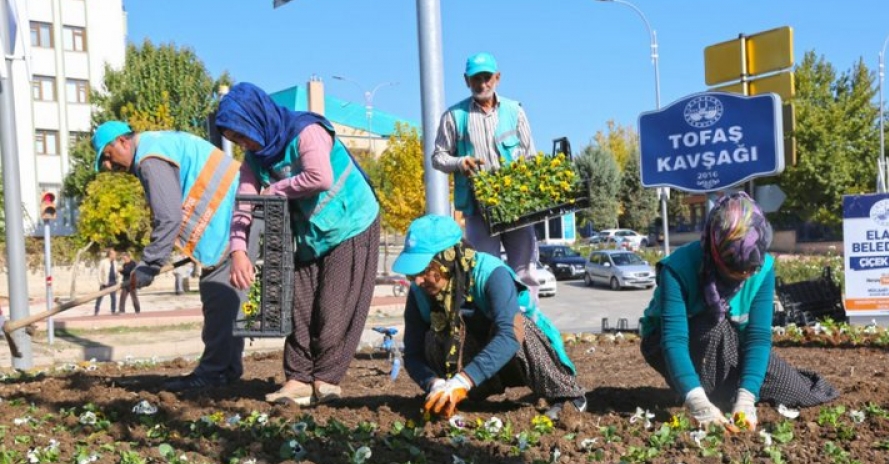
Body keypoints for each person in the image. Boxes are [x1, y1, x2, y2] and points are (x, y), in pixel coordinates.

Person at [216, 81, 381, 407]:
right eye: (235, 139)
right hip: (308, 235)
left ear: (256, 118)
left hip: (351, 223)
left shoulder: (306, 131)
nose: (242, 142)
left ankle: (327, 380)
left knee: (333, 309)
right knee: (300, 308)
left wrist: (273, 192)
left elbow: (321, 177)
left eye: (243, 133)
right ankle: (299, 380)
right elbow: (244, 203)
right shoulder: (255, 158)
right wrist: (238, 250)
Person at [639, 192, 839, 431]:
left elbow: (757, 337)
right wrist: (698, 401)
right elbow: (674, 340)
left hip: (729, 341)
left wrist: (747, 397)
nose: (743, 277)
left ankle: (728, 391)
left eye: (749, 271)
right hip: (666, 344)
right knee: (715, 325)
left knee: (792, 390)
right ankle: (700, 390)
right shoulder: (678, 269)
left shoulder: (763, 269)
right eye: (733, 271)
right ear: (715, 252)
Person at [92, 120, 249, 391]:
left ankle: (213, 373)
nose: (109, 166)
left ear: (123, 141)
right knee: (226, 298)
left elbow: (168, 218)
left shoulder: (149, 159)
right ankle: (226, 369)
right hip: (236, 211)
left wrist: (148, 267)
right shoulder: (158, 143)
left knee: (217, 294)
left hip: (228, 217)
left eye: (107, 156)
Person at [393, 214, 586, 420]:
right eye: (414, 273)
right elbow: (413, 354)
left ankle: (565, 395)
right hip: (476, 367)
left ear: (448, 258)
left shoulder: (491, 273)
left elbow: (510, 336)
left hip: (521, 359)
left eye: (425, 270)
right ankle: (459, 396)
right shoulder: (419, 293)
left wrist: (464, 381)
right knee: (433, 336)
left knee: (519, 329)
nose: (419, 280)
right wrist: (434, 383)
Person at [431, 51, 541, 302]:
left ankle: (528, 323)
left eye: (487, 77)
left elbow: (531, 158)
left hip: (517, 208)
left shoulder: (515, 111)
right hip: (477, 208)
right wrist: (460, 162)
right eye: (476, 79)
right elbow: (438, 157)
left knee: (525, 270)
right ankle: (494, 323)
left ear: (497, 78)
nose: (482, 84)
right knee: (484, 269)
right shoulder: (454, 116)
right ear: (466, 81)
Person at [93, 248, 119, 315]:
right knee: (100, 297)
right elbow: (98, 272)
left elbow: (116, 272)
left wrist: (118, 281)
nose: (115, 256)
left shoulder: (115, 262)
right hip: (105, 283)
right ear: (110, 255)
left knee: (113, 298)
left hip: (113, 282)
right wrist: (100, 282)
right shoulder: (103, 262)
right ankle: (96, 311)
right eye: (114, 254)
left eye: (115, 254)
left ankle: (113, 311)